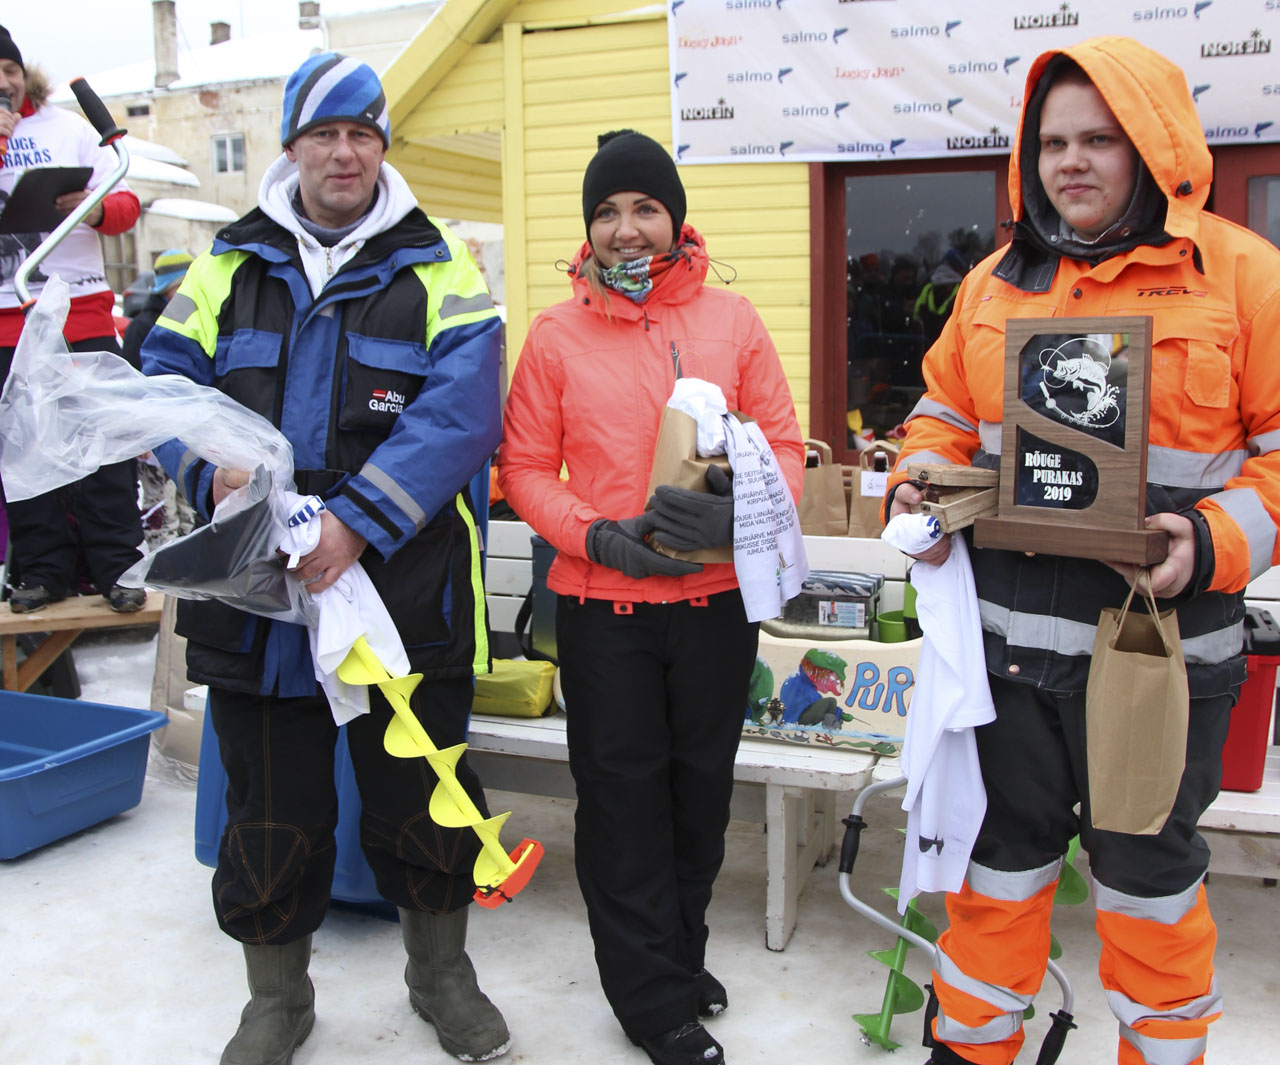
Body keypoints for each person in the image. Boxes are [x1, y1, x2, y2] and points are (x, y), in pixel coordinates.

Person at [884, 37, 1280, 1065]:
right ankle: (966, 1051)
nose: (1071, 161)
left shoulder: (1242, 279)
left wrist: (1207, 538)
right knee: (994, 876)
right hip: (1005, 662)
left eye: (1097, 138)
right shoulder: (989, 284)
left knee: (1147, 891)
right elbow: (934, 419)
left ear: (1150, 143)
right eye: (1052, 141)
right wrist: (915, 488)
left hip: (1161, 661)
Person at [139, 53, 510, 1065]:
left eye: (361, 135)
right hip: (260, 602)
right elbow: (164, 378)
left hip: (402, 594)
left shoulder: (439, 263)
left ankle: (440, 976)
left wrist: (358, 519)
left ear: (380, 148)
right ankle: (278, 1001)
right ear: (292, 148)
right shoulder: (227, 263)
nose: (342, 154)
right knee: (273, 812)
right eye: (323, 135)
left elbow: (463, 411)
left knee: (424, 798)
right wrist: (199, 460)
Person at [497, 129, 805, 1065]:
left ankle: (677, 955)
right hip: (606, 610)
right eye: (607, 212)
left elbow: (786, 449)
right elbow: (520, 469)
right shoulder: (555, 335)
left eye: (643, 209)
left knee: (699, 798)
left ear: (674, 218)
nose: (626, 230)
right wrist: (596, 533)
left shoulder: (733, 321)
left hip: (714, 608)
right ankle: (649, 998)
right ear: (588, 228)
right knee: (624, 804)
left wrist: (735, 521)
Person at [0, 24, 145, 614]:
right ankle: (42, 571)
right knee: (25, 448)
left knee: (101, 446)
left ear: (21, 73)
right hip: (8, 321)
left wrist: (90, 211)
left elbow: (126, 204)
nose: (2, 84)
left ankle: (119, 566)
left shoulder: (67, 129)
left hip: (78, 308)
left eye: (7, 71)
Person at [124, 250, 198, 550]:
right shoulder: (142, 325)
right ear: (170, 288)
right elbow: (130, 382)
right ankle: (163, 570)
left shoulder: (193, 317)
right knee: (160, 509)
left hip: (189, 432)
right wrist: (138, 432)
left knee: (188, 509)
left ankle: (191, 566)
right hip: (155, 434)